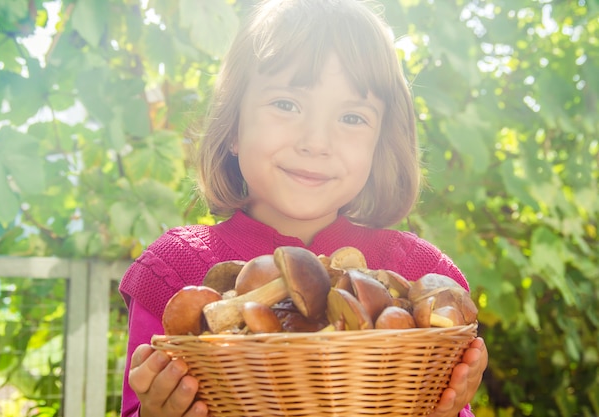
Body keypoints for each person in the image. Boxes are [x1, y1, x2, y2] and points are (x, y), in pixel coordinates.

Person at [118, 0, 489, 416]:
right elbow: (139, 405)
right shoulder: (173, 270)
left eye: (351, 117)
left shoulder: (422, 278)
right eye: (286, 105)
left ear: (380, 145)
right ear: (233, 127)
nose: (316, 141)